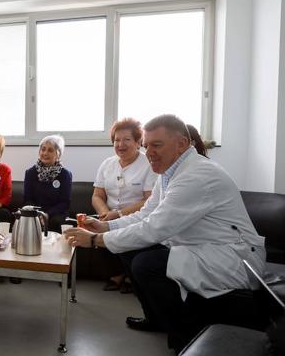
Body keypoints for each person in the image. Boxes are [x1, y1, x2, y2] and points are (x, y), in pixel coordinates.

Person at [64, 114, 266, 354]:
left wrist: (97, 240)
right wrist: (106, 227)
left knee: (148, 263)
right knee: (132, 253)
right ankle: (157, 319)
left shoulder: (197, 175)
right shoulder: (169, 173)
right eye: (147, 145)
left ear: (181, 144)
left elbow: (155, 227)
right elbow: (147, 214)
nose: (148, 152)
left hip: (233, 257)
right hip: (200, 248)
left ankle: (186, 336)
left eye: (156, 145)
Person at [91, 118, 157, 292]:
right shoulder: (107, 164)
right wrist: (105, 212)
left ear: (138, 142)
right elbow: (97, 195)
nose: (120, 144)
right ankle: (117, 274)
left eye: (126, 140)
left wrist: (119, 214)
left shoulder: (149, 164)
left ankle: (130, 275)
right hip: (110, 214)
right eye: (116, 140)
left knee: (126, 230)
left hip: (137, 215)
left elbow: (149, 200)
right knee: (95, 226)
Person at [23, 134, 72, 233]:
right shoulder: (30, 173)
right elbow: (27, 199)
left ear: (58, 154)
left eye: (50, 150)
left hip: (56, 214)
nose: (45, 153)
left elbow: (64, 203)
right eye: (43, 149)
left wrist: (47, 214)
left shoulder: (65, 174)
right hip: (35, 212)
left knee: (56, 221)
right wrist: (38, 214)